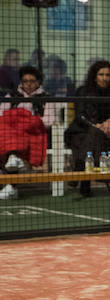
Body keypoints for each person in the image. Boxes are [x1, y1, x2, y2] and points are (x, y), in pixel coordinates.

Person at [0, 66, 59, 200]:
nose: (28, 84)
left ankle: (11, 185)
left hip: (34, 133)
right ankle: (14, 161)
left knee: (11, 148)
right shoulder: (12, 96)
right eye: (25, 81)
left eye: (32, 81)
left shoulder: (46, 98)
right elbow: (1, 115)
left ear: (38, 82)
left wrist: (28, 122)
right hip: (10, 133)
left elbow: (49, 120)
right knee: (7, 140)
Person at [64, 60, 110, 197]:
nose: (105, 78)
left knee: (94, 136)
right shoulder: (83, 91)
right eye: (101, 74)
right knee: (92, 135)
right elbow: (80, 115)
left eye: (108, 75)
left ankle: (79, 170)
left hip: (106, 133)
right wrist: (96, 126)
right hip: (80, 130)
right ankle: (85, 181)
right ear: (94, 76)